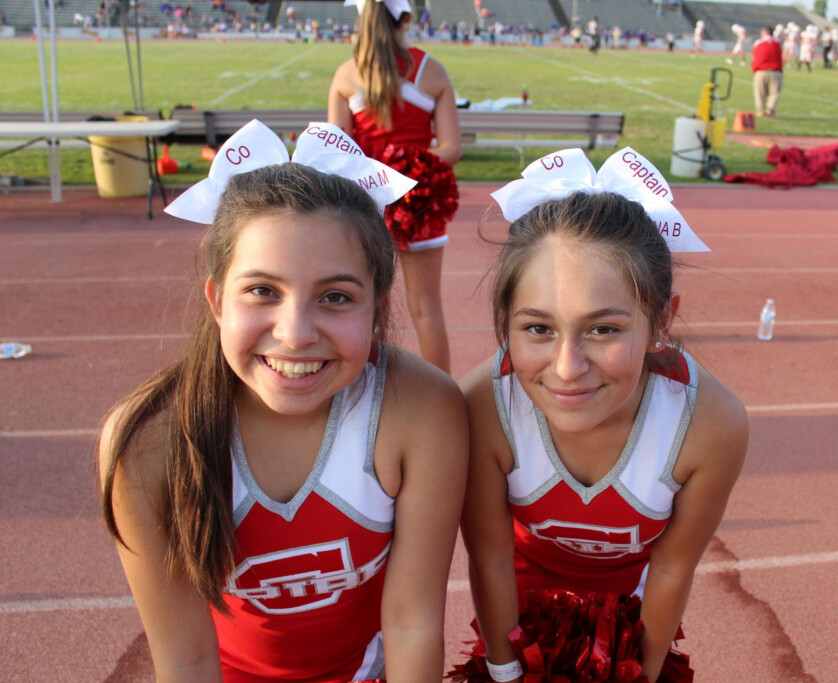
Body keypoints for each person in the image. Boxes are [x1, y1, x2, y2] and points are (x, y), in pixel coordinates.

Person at [98, 120, 468, 681]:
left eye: (336, 297)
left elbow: (414, 623)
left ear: (377, 306)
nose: (295, 333)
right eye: (263, 291)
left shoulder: (421, 410)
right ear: (218, 300)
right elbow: (185, 659)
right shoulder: (149, 441)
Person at [458, 148, 748, 681]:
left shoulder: (708, 424)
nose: (567, 369)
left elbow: (672, 567)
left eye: (603, 329)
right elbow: (491, 559)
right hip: (515, 613)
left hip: (633, 617)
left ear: (661, 321)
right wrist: (503, 670)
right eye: (538, 328)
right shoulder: (483, 406)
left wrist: (641, 673)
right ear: (505, 322)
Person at [328, 0, 461, 374]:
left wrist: (379, 176)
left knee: (363, 306)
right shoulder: (431, 70)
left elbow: (336, 149)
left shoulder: (345, 75)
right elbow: (452, 148)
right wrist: (409, 170)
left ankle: (366, 396)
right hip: (418, 201)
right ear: (404, 19)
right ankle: (445, 399)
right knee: (427, 309)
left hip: (364, 204)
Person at [752, 26, 784, 118]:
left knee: (760, 93)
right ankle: (770, 107)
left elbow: (755, 56)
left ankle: (761, 111)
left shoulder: (758, 43)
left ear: (765, 32)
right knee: (775, 92)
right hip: (775, 71)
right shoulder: (777, 44)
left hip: (760, 71)